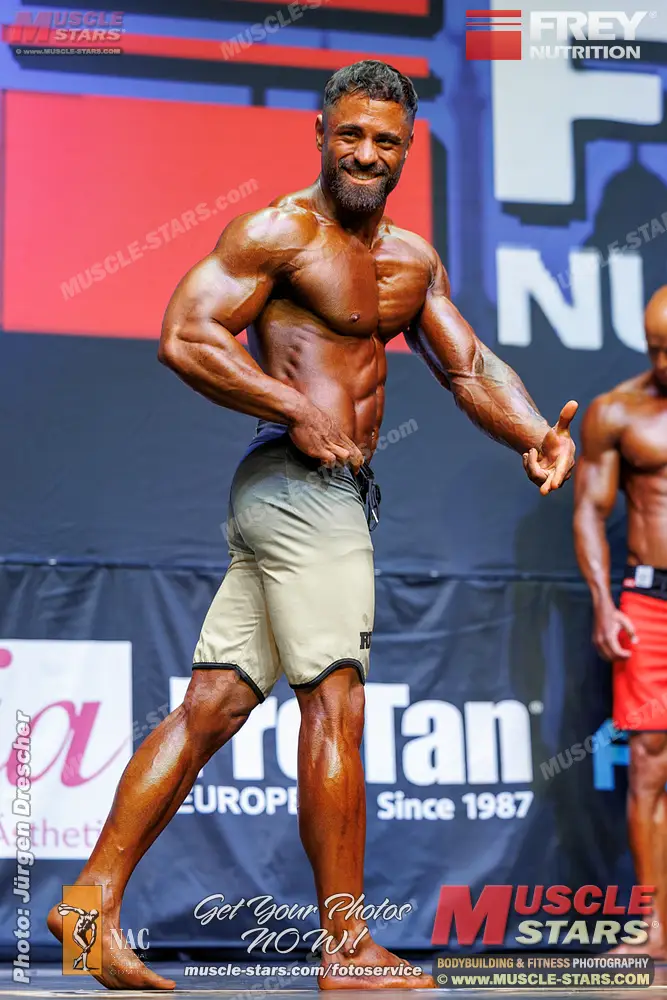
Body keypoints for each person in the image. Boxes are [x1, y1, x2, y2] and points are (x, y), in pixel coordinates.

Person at [48, 59, 577, 989]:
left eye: (385, 141)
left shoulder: (412, 260)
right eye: (351, 135)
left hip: (313, 497)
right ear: (321, 133)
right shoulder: (279, 232)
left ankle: (87, 906)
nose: (366, 154)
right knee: (336, 706)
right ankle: (346, 948)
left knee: (212, 706)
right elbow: (185, 335)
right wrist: (291, 404)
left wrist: (532, 433)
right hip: (301, 491)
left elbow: (466, 366)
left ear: (407, 150)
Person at [574, 285, 667, 959]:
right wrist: (604, 604)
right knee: (648, 764)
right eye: (655, 348)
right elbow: (589, 509)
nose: (662, 363)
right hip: (650, 605)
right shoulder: (617, 411)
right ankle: (657, 928)